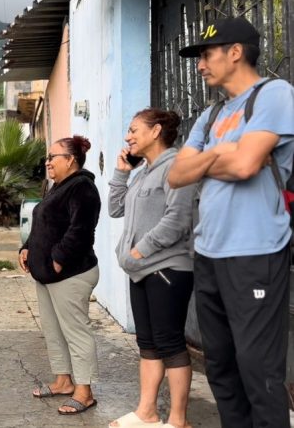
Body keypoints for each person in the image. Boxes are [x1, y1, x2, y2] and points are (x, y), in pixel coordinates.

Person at [168, 16, 294, 427]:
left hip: (255, 252)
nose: (200, 65)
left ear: (235, 52)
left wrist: (209, 159)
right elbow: (176, 174)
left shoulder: (274, 95)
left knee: (259, 370)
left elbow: (244, 165)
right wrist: (218, 157)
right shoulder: (213, 114)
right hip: (209, 253)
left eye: (206, 55)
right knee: (220, 367)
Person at [108, 109, 196, 428]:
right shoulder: (144, 171)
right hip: (140, 270)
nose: (128, 136)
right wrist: (121, 172)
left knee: (170, 342)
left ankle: (178, 420)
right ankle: (147, 412)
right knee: (147, 343)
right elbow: (116, 208)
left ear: (156, 131)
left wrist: (140, 249)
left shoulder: (176, 165)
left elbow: (178, 218)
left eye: (133, 130)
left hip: (168, 268)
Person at [19, 136, 101, 415]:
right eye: (48, 157)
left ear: (70, 160)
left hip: (70, 275)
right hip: (46, 276)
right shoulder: (57, 187)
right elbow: (42, 223)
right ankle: (63, 381)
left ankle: (84, 391)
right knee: (54, 332)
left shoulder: (82, 188)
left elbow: (81, 230)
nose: (48, 162)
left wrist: (58, 259)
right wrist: (27, 247)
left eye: (53, 156)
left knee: (75, 332)